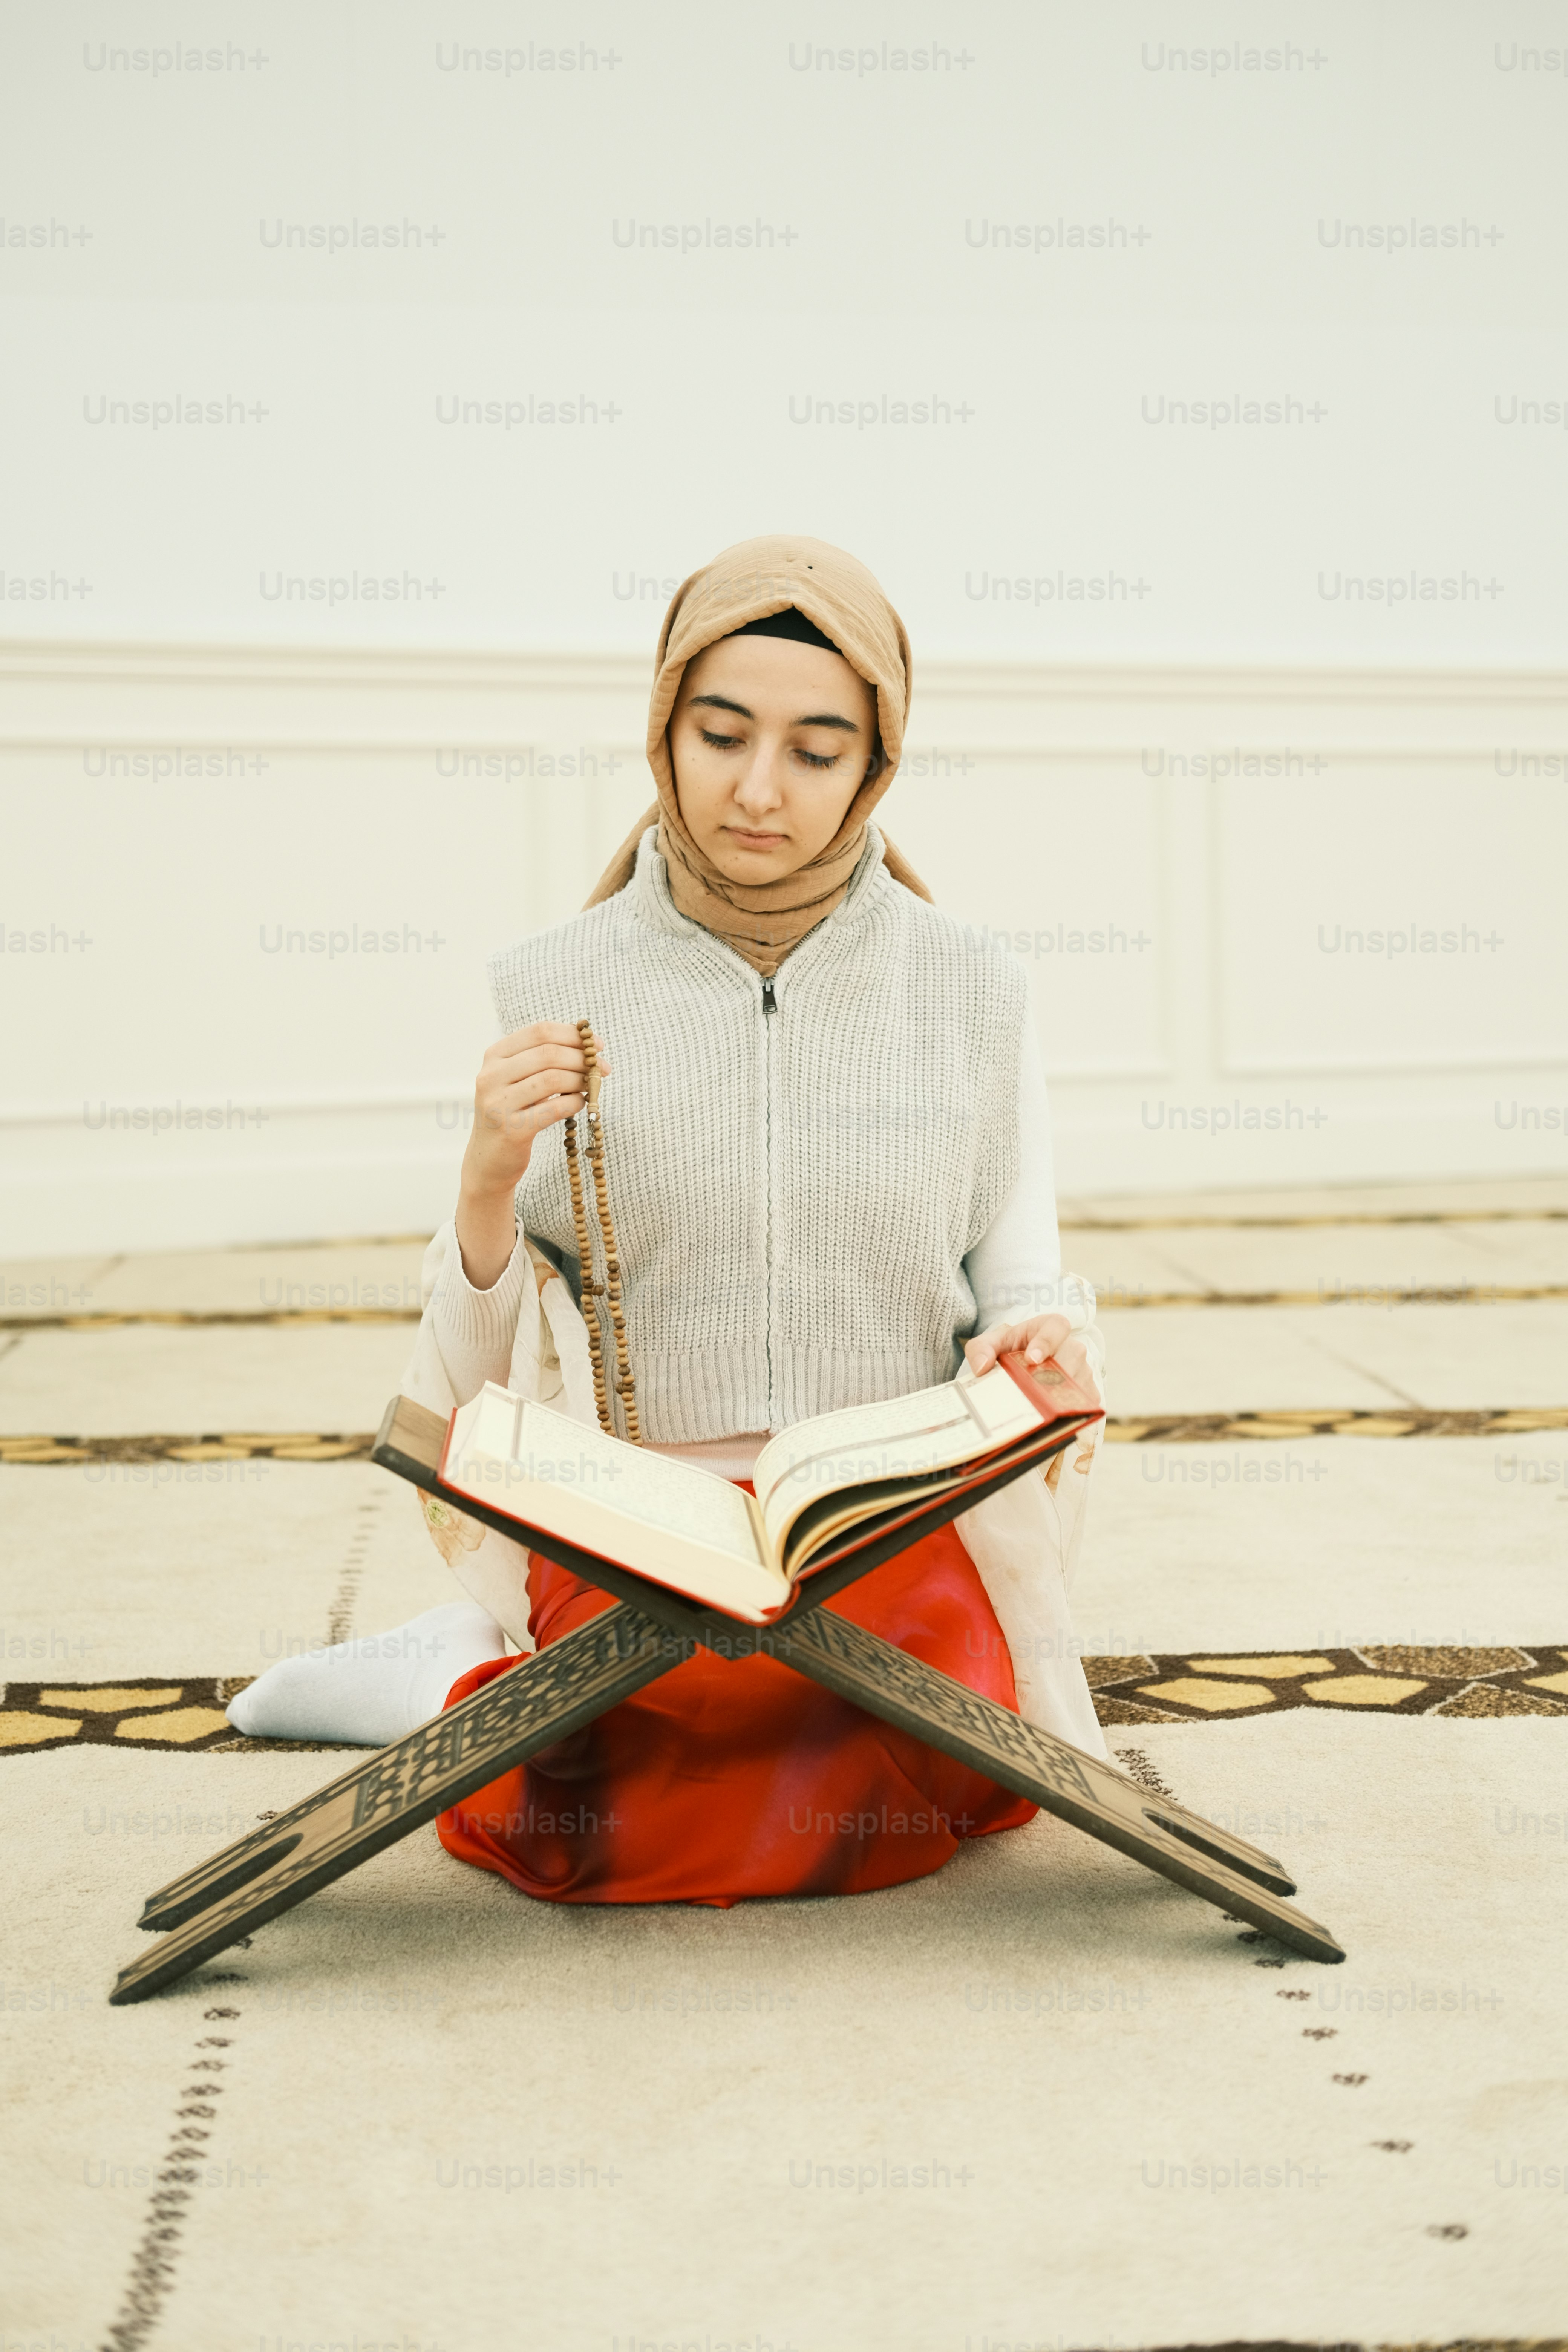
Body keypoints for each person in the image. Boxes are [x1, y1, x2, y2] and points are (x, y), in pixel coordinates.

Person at [228, 533, 1109, 1908]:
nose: (759, 790)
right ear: (664, 731)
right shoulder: (558, 980)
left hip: (882, 1530)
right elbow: (483, 1363)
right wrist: (484, 1178)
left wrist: (1032, 1344)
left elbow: (1023, 1286)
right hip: (633, 1525)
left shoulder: (974, 990)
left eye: (816, 751)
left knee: (910, 1775)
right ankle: (455, 1672)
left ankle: (483, 1679)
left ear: (876, 762)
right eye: (722, 734)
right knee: (613, 1809)